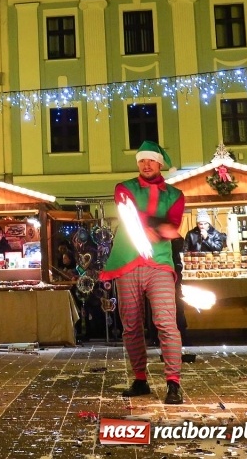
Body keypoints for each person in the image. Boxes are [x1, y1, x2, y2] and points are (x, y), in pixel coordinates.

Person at [99, 140, 185, 405]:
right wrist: (159, 226)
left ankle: (173, 383)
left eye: (151, 160)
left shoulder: (175, 195)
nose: (146, 165)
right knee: (131, 325)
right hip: (127, 263)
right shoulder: (124, 188)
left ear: (160, 163)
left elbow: (173, 226)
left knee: (166, 322)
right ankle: (140, 379)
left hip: (159, 264)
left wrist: (152, 225)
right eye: (142, 160)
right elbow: (130, 214)